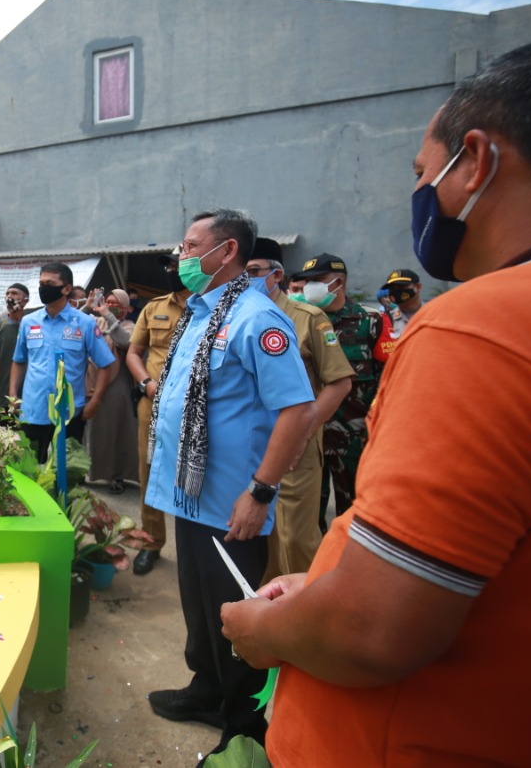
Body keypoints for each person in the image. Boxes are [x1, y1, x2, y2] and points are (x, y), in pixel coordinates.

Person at [220, 37, 531, 767]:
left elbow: (374, 626)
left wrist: (268, 631)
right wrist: (326, 580)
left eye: (421, 171)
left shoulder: (491, 329)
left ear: (476, 160)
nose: (420, 192)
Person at [143, 210, 314, 759]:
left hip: (230, 503)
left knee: (237, 615)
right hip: (189, 496)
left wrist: (261, 491)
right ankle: (206, 689)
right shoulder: (202, 312)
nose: (182, 255)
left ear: (228, 251)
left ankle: (243, 725)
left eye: (192, 246)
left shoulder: (257, 319)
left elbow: (295, 409)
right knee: (199, 606)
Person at [245, 240, 353, 582]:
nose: (244, 280)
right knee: (263, 540)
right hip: (252, 447)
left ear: (276, 274)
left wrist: (304, 431)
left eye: (253, 272)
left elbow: (339, 383)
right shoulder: (240, 316)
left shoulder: (308, 318)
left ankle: (309, 618)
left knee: (296, 541)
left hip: (296, 449)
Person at [290, 252, 382, 526]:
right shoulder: (300, 321)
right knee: (307, 517)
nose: (308, 288)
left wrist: (375, 427)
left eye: (317, 280)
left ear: (339, 282)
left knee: (354, 514)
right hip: (310, 437)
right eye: (305, 281)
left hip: (353, 438)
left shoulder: (370, 322)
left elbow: (388, 381)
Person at [9, 262, 115, 465]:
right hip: (32, 410)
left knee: (66, 474)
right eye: (41, 283)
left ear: (66, 289)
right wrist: (13, 393)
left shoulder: (85, 323)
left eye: (50, 283)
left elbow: (105, 364)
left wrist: (95, 401)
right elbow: (19, 361)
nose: (43, 288)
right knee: (29, 471)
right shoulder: (28, 322)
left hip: (69, 413)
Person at [125, 248, 188, 575]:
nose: (172, 270)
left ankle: (194, 549)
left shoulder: (214, 307)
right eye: (169, 266)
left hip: (196, 409)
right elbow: (134, 353)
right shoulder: (154, 308)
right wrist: (147, 383)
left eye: (178, 265)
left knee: (194, 477)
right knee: (150, 475)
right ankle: (151, 542)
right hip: (154, 405)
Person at [85, 288, 138, 494]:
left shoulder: (129, 326)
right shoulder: (95, 323)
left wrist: (108, 314)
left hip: (118, 387)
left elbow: (126, 341)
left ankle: (119, 475)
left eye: (116, 304)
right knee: (95, 433)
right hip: (92, 384)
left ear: (125, 309)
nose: (110, 306)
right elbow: (74, 321)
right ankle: (94, 472)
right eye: (107, 302)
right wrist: (88, 306)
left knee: (119, 432)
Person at [0, 283, 29, 414]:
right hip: (1, 397)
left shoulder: (33, 326)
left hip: (29, 396)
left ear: (26, 300)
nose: (10, 296)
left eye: (15, 293)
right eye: (7, 293)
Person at [378, 268, 427, 338]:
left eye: (401, 286)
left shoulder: (435, 315)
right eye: (392, 289)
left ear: (418, 287)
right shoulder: (386, 321)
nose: (397, 291)